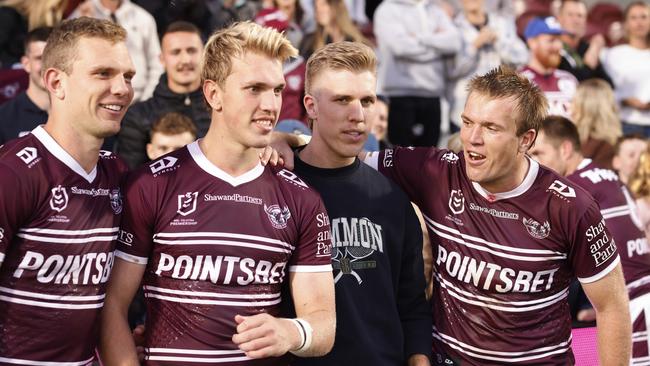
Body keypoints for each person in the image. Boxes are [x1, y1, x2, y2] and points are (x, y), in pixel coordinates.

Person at [100, 21, 336, 365]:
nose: (271, 104)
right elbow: (112, 307)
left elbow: (323, 325)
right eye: (254, 88)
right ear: (213, 94)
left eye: (276, 89)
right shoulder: (151, 184)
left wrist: (291, 332)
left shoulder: (302, 199)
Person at [364, 66, 631, 364]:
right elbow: (346, 158)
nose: (473, 138)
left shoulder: (570, 206)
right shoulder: (436, 171)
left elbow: (612, 307)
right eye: (467, 122)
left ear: (526, 139)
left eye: (491, 128)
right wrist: (300, 144)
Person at [287, 41, 432, 366]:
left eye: (367, 100)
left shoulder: (391, 197)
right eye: (342, 100)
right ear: (311, 106)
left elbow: (412, 306)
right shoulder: (277, 187)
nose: (358, 115)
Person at [0, 17, 132, 365]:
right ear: (56, 82)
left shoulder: (117, 173)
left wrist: (286, 141)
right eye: (103, 73)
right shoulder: (12, 172)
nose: (122, 88)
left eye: (128, 76)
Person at [530, 115, 650, 364]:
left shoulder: (570, 188)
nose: (534, 163)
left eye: (539, 153)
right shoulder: (606, 174)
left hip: (630, 305)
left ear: (565, 149)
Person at [116, 21, 210, 169]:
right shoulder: (137, 116)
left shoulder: (222, 111)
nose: (185, 60)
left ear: (204, 54)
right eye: (176, 52)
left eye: (191, 51)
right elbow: (131, 177)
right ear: (162, 59)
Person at [374, 0, 461, 147]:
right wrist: (437, 48)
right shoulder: (386, 9)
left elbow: (454, 42)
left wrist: (419, 38)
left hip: (432, 96)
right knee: (398, 159)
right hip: (399, 97)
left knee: (429, 160)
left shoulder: (435, 10)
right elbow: (400, 47)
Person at [447, 0, 528, 131]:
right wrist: (474, 46)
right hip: (463, 110)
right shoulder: (453, 27)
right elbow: (452, 70)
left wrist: (498, 42)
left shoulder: (501, 24)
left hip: (498, 108)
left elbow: (522, 57)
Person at [71, 0, 164, 103]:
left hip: (139, 101)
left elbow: (156, 65)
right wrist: (85, 23)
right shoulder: (82, 13)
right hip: (98, 101)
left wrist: (146, 99)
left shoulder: (144, 18)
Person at [601, 2, 650, 137]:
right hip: (626, 122)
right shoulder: (613, 54)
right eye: (633, 18)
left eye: (644, 17)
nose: (639, 22)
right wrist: (624, 99)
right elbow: (606, 88)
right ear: (626, 23)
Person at [0, 26, 51, 144]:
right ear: (26, 63)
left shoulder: (78, 112)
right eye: (40, 58)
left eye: (54, 58)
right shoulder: (4, 118)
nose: (48, 66)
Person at [520, 16, 578, 118]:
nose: (558, 46)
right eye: (551, 40)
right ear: (532, 43)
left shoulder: (570, 80)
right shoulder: (518, 82)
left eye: (559, 40)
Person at [556, 0, 613, 85]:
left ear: (585, 21)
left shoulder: (586, 47)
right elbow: (571, 84)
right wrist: (590, 61)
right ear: (559, 18)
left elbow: (609, 85)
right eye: (570, 15)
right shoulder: (553, 46)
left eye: (580, 16)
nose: (575, 20)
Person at [570, 78, 622, 170]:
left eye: (573, 102)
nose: (570, 108)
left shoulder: (603, 147)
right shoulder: (617, 142)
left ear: (583, 108)